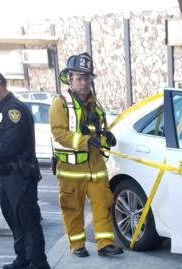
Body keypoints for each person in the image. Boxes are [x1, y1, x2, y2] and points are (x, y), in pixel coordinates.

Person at [0, 70, 51, 269]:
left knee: (28, 220)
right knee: (13, 219)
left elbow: (10, 146)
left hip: (21, 176)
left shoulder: (14, 111)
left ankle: (39, 264)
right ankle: (23, 257)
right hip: (7, 176)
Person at [49, 53, 123, 258]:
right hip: (71, 170)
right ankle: (77, 245)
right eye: (80, 78)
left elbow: (100, 132)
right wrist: (84, 141)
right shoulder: (60, 104)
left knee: (103, 205)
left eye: (87, 79)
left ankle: (105, 244)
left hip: (96, 167)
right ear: (70, 80)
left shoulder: (96, 105)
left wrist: (107, 138)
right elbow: (59, 133)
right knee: (72, 209)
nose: (84, 83)